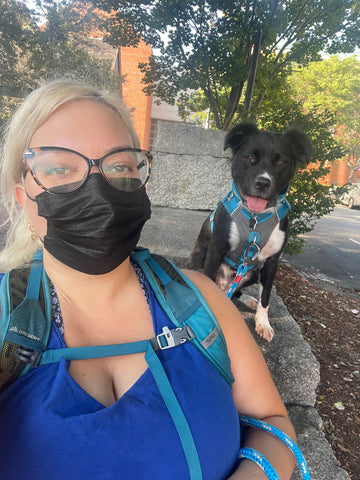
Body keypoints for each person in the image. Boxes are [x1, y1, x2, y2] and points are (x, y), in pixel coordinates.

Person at [0, 79, 297, 480]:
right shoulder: (7, 321)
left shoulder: (200, 302)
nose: (97, 188)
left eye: (120, 165)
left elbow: (274, 420)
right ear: (22, 197)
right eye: (57, 168)